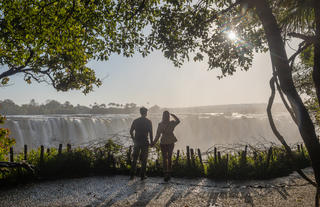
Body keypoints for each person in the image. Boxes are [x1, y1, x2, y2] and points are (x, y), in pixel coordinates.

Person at [152, 111, 180, 181]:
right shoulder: (172, 123)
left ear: (162, 116)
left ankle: (165, 174)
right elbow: (178, 121)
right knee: (169, 157)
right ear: (168, 116)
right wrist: (173, 115)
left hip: (163, 142)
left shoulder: (160, 124)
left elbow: (158, 135)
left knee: (164, 158)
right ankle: (169, 173)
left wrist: (153, 143)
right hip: (171, 141)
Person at [129, 107, 153, 180]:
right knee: (144, 159)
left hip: (137, 142)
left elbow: (131, 131)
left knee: (135, 158)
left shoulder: (136, 121)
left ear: (140, 112)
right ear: (146, 113)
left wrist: (133, 138)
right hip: (145, 142)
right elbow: (151, 133)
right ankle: (142, 175)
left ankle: (132, 175)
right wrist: (152, 142)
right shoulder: (148, 121)